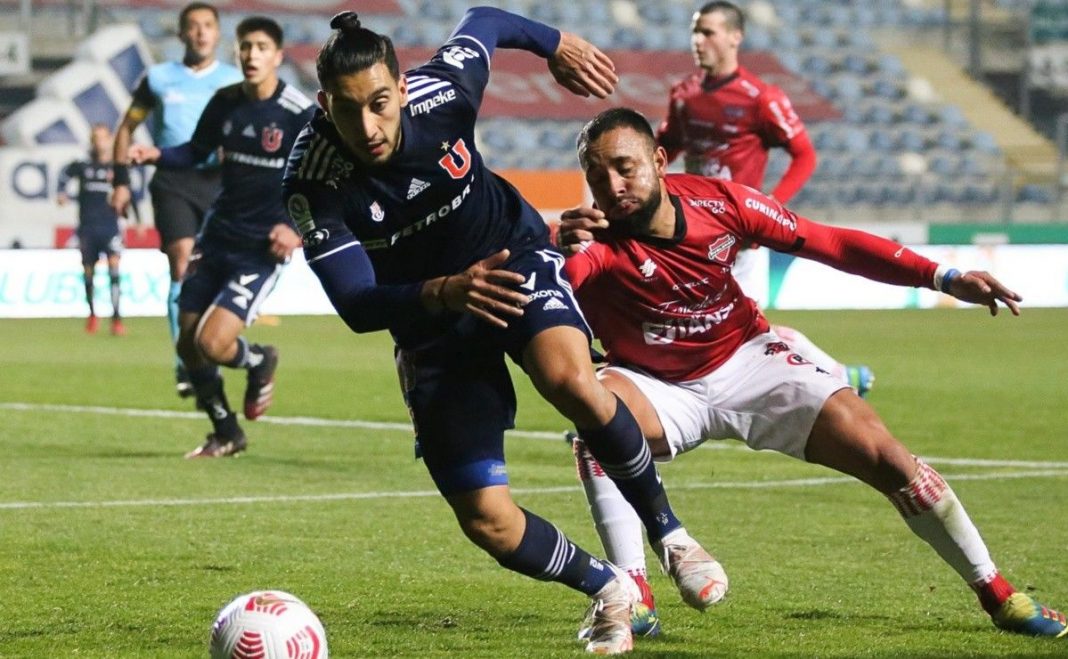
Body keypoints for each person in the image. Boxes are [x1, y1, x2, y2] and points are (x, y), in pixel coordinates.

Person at [281, 8, 721, 654]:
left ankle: (672, 535)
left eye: (380, 102)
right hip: (429, 319)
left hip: (510, 256)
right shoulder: (310, 178)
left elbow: (482, 20)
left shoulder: (443, 93)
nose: (369, 126)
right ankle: (609, 589)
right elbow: (355, 302)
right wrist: (442, 292)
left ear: (402, 89)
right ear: (324, 104)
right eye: (349, 110)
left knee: (568, 377)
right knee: (486, 518)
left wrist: (556, 44)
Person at [557, 107, 1068, 642]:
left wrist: (942, 275)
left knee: (890, 459)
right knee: (596, 424)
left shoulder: (722, 203)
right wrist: (559, 263)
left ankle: (1000, 595)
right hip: (655, 386)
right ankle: (633, 596)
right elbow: (547, 294)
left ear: (659, 161)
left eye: (625, 167)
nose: (611, 187)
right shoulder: (589, 241)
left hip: (748, 361)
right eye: (597, 177)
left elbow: (834, 244)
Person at [657, 1, 873, 395]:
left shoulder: (761, 97)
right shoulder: (684, 94)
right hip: (692, 233)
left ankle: (838, 376)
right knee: (689, 326)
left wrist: (770, 209)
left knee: (745, 332)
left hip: (740, 238)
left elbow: (804, 154)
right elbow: (663, 150)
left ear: (735, 37)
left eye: (708, 32)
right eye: (695, 31)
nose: (697, 40)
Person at [129, 16, 314, 459]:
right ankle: (226, 432)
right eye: (245, 47)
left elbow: (328, 180)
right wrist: (155, 153)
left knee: (211, 343)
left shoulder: (298, 113)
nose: (251, 55)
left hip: (259, 249)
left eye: (261, 48)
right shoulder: (225, 102)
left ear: (277, 56)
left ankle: (258, 360)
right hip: (217, 236)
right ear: (237, 53)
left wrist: (297, 229)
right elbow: (195, 151)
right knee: (187, 345)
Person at [111, 1, 242, 398]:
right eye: (193, 26)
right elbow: (126, 128)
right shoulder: (159, 78)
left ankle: (208, 343)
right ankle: (187, 361)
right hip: (172, 180)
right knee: (182, 267)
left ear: (217, 34)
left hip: (220, 182)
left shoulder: (234, 80)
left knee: (215, 270)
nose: (201, 32)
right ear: (182, 34)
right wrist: (119, 180)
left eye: (208, 26)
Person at [58, 124, 126, 336]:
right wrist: (62, 193)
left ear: (110, 139)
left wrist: (133, 217)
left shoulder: (117, 168)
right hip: (87, 226)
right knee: (89, 272)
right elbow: (63, 175)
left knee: (114, 269)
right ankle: (92, 314)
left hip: (110, 225)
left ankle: (116, 319)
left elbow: (127, 193)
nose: (100, 142)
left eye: (103, 137)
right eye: (96, 138)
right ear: (92, 141)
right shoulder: (83, 165)